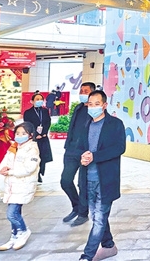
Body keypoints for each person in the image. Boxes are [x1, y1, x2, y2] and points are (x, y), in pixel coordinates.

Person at [78, 90, 126, 261]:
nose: (93, 107)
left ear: (104, 105)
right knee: (96, 216)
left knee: (99, 219)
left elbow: (119, 148)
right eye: (90, 104)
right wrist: (82, 157)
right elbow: (79, 148)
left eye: (97, 104)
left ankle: (87, 255)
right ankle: (109, 246)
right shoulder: (86, 125)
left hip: (106, 179)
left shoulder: (115, 124)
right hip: (88, 178)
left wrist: (95, 156)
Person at [0, 122, 40, 251]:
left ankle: (23, 231)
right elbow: (5, 160)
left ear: (30, 135)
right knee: (16, 212)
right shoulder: (14, 147)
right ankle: (15, 236)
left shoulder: (32, 149)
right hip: (12, 186)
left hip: (23, 185)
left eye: (23, 133)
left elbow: (29, 168)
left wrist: (11, 172)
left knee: (11, 214)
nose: (19, 136)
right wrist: (2, 168)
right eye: (17, 133)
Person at [61, 81, 95, 226]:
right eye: (81, 91)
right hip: (71, 150)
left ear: (93, 93)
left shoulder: (95, 111)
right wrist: (68, 145)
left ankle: (83, 213)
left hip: (85, 152)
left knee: (82, 184)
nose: (82, 93)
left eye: (86, 91)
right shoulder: (78, 108)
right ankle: (76, 207)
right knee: (65, 181)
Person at [23, 93, 53, 183]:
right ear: (32, 101)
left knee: (42, 156)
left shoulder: (45, 111)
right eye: (37, 99)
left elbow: (48, 122)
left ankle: (39, 173)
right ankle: (34, 173)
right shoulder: (28, 112)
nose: (39, 101)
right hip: (34, 138)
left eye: (41, 99)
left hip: (43, 137)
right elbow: (27, 124)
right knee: (34, 156)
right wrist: (35, 134)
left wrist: (44, 133)